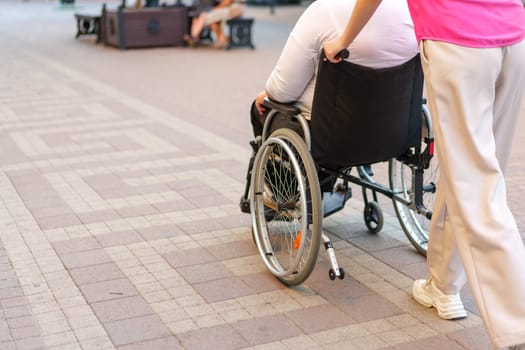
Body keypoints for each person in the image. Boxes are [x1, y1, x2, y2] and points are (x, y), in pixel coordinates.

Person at [324, 1, 525, 349]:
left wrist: (344, 38)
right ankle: (443, 286)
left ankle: (517, 327)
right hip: (512, 37)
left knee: (478, 188)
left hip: (457, 40)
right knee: (469, 171)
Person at [250, 0, 418, 138]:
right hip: (395, 130)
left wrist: (268, 94)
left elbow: (283, 91)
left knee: (261, 107)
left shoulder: (323, 10)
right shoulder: (410, 10)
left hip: (332, 135)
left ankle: (271, 177)